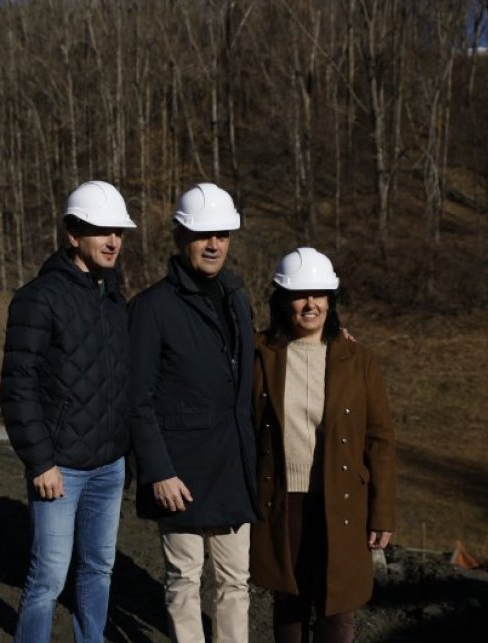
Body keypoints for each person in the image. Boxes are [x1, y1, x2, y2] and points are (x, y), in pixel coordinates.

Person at [0, 180, 136, 643]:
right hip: (61, 468)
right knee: (48, 579)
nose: (113, 240)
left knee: (99, 567)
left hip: (109, 466)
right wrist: (40, 461)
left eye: (118, 230)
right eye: (101, 230)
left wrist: (125, 455)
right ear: (73, 234)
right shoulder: (39, 298)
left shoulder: (116, 298)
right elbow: (18, 387)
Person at [129, 183, 258, 643]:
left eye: (222, 234)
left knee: (236, 582)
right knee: (184, 581)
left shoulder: (237, 300)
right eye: (203, 235)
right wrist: (158, 471)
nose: (214, 244)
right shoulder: (151, 308)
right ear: (181, 237)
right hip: (179, 474)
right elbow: (136, 400)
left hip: (232, 468)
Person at [250, 247, 396, 643]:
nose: (310, 303)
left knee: (337, 607)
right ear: (283, 301)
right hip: (282, 498)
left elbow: (379, 439)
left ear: (331, 301)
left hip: (342, 498)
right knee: (289, 602)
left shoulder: (358, 359)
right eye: (300, 294)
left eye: (319, 294)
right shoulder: (260, 353)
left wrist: (381, 513)